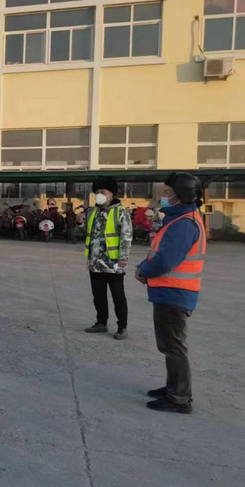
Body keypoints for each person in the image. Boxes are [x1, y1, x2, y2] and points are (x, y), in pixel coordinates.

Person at [135, 173, 206, 414]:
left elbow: (165, 260)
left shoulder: (184, 223)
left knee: (173, 346)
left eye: (167, 192)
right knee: (169, 345)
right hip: (172, 293)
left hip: (174, 294)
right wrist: (144, 267)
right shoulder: (179, 219)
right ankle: (173, 387)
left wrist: (144, 271)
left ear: (180, 195)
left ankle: (179, 398)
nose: (163, 197)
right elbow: (160, 253)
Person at [84, 178, 133, 340]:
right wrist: (78, 223)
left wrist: (123, 257)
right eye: (96, 192)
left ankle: (122, 326)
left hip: (113, 262)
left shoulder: (121, 212)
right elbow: (86, 231)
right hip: (95, 262)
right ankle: (101, 322)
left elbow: (126, 236)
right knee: (98, 295)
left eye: (102, 192)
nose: (99, 195)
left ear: (111, 194)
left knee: (118, 296)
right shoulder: (92, 211)